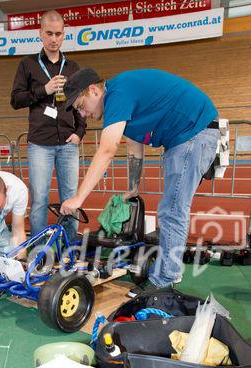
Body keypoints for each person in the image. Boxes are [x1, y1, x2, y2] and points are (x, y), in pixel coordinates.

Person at [60, 67, 220, 293]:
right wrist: (133, 187)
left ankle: (164, 281)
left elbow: (107, 150)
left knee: (173, 210)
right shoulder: (120, 97)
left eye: (80, 106)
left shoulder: (117, 94)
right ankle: (164, 274)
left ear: (94, 90)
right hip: (185, 136)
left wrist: (78, 198)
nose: (82, 114)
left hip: (194, 133)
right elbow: (135, 146)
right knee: (171, 208)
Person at [10, 9, 86, 243]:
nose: (54, 39)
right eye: (49, 34)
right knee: (40, 199)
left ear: (64, 35)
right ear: (40, 34)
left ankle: (71, 246)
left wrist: (79, 133)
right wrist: (45, 90)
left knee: (70, 198)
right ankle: (38, 249)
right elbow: (16, 100)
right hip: (40, 144)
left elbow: (81, 104)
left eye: (59, 34)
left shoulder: (72, 67)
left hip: (68, 143)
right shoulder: (28, 64)